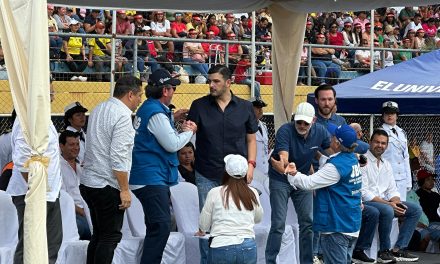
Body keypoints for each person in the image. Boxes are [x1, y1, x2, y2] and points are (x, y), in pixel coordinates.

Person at [187, 64, 258, 264]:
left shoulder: (245, 107)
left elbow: (251, 139)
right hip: (207, 173)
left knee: (238, 223)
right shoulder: (198, 105)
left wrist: (251, 165)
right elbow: (188, 133)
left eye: (216, 81)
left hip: (237, 176)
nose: (211, 85)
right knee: (206, 227)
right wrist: (185, 128)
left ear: (229, 82)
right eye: (210, 81)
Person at [129, 69, 197, 264]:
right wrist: (189, 131)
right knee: (161, 226)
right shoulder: (155, 112)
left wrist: (172, 118)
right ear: (166, 90)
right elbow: (173, 145)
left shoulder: (150, 108)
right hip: (150, 176)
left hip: (148, 175)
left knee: (156, 226)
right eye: (173, 88)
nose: (174, 91)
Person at [80, 76, 143, 264]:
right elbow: (118, 157)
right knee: (109, 237)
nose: (140, 100)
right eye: (140, 95)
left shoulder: (100, 108)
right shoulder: (123, 116)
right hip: (106, 184)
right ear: (130, 94)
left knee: (99, 235)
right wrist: (124, 189)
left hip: (90, 181)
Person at [277, 124, 362, 264]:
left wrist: (291, 172)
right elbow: (329, 162)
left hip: (337, 227)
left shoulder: (335, 167)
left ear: (337, 142)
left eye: (333, 135)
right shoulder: (352, 159)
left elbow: (309, 183)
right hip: (350, 224)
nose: (330, 137)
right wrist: (315, 153)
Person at [265, 102, 332, 264]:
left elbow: (330, 151)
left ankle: (306, 261)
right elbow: (283, 157)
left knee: (307, 222)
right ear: (294, 119)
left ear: (314, 120)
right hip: (280, 179)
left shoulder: (321, 131)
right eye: (298, 122)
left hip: (301, 178)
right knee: (278, 224)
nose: (301, 125)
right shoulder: (285, 130)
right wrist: (283, 166)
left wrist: (351, 157)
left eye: (305, 123)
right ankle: (271, 261)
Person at [7, 78, 62, 264]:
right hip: (32, 191)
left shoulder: (42, 115)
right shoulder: (28, 117)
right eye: (49, 89)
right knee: (30, 245)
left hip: (49, 191)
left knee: (52, 243)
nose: (53, 93)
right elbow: (23, 161)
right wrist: (37, 190)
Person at [359, 128, 421, 262]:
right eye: (377, 142)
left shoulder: (386, 164)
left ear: (387, 145)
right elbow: (364, 193)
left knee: (415, 210)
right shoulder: (362, 161)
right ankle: (384, 251)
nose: (380, 146)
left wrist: (397, 202)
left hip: (385, 202)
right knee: (387, 210)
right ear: (370, 142)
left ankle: (399, 249)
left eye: (383, 143)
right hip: (367, 203)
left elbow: (392, 189)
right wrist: (389, 204)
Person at [196, 154, 263, 264]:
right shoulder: (253, 192)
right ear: (246, 172)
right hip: (247, 245)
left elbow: (204, 224)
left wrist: (201, 231)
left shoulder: (215, 192)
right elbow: (258, 218)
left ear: (226, 171)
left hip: (221, 245)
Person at [59, 130, 91, 240]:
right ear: (61, 146)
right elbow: (62, 197)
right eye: (71, 144)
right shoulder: (57, 167)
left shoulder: (83, 165)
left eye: (77, 144)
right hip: (72, 212)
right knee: (82, 228)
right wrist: (82, 211)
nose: (76, 148)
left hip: (89, 210)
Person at [381, 101, 412, 201]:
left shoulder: (402, 132)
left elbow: (405, 157)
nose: (389, 115)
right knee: (391, 211)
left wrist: (408, 180)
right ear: (383, 116)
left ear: (397, 116)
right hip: (387, 177)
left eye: (392, 113)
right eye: (386, 113)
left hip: (402, 178)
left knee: (402, 210)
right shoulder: (380, 132)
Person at [415, 169, 440, 245]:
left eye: (433, 179)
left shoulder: (435, 195)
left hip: (437, 222)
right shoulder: (417, 195)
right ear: (421, 181)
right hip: (427, 224)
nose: (432, 182)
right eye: (428, 180)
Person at [249, 97, 270, 185]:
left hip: (265, 170)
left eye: (261, 107)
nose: (260, 110)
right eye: (257, 107)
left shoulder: (263, 126)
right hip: (252, 171)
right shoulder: (245, 126)